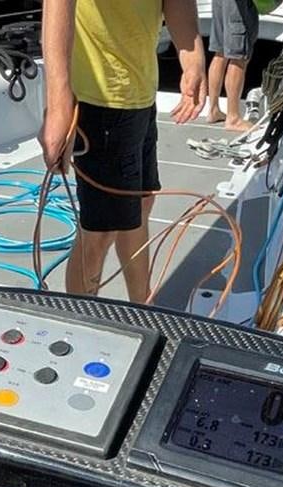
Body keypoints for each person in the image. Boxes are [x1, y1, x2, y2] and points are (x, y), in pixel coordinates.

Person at [40, 0, 206, 302]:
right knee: (99, 233)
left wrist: (193, 59)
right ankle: (80, 321)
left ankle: (143, 305)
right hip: (99, 101)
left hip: (140, 95)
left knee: (141, 205)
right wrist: (59, 104)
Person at [206, 0, 283, 131]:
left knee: (220, 52)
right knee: (239, 57)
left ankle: (213, 110)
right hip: (239, 6)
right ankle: (233, 118)